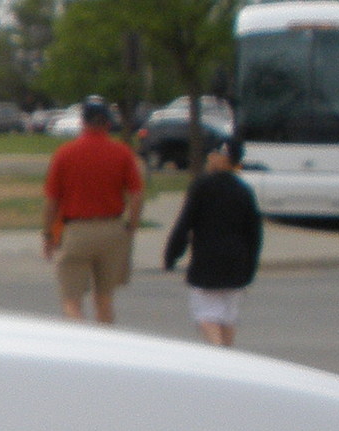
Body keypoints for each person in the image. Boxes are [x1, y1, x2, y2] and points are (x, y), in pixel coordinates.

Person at [42, 95, 146, 324]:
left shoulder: (65, 154)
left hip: (77, 231)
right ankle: (105, 346)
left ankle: (82, 341)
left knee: (71, 300)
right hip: (112, 229)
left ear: (83, 122)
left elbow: (52, 200)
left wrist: (48, 234)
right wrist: (131, 225)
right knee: (105, 299)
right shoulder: (122, 153)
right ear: (108, 123)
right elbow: (137, 194)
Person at [162, 135, 262, 346]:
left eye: (213, 154)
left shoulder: (202, 187)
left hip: (207, 261)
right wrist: (250, 266)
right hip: (237, 263)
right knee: (228, 316)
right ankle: (227, 356)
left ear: (224, 159)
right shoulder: (243, 190)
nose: (210, 158)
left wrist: (171, 255)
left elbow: (185, 223)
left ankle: (218, 351)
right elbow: (254, 233)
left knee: (206, 316)